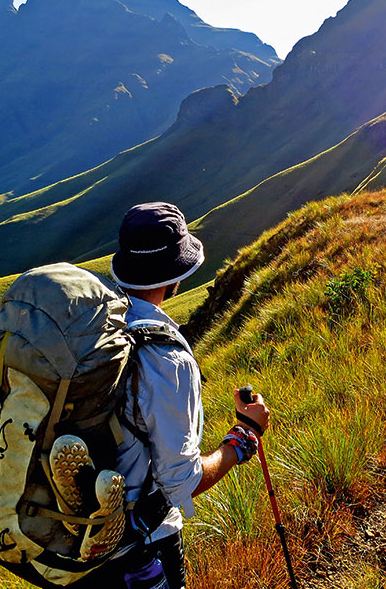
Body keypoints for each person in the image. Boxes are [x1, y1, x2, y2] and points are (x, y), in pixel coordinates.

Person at [104, 201, 270, 589]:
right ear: (174, 275)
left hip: (72, 550)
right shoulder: (165, 358)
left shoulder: (97, 326)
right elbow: (182, 483)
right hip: (140, 546)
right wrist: (242, 439)